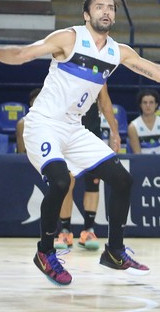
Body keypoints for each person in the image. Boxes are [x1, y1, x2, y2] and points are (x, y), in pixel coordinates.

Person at [0, 0, 160, 285]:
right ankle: (45, 252)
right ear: (86, 13)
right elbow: (25, 53)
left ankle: (114, 251)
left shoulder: (119, 51)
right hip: (43, 123)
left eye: (111, 8)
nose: (106, 11)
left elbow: (159, 72)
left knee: (122, 179)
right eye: (100, 6)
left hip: (74, 128)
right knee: (62, 181)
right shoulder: (70, 38)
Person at [54, 84, 120, 252]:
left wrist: (114, 131)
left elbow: (105, 103)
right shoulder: (64, 70)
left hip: (92, 134)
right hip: (67, 134)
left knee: (93, 182)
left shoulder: (99, 74)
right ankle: (64, 231)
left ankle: (88, 231)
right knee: (67, 182)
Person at [127, 89, 160, 154]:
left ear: (156, 104)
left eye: (151, 102)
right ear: (140, 105)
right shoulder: (133, 127)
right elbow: (137, 154)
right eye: (145, 102)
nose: (148, 105)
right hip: (142, 163)